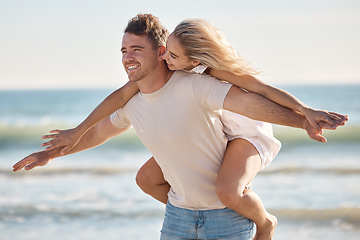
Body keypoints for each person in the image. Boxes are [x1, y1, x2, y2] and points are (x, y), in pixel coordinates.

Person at [13, 14, 347, 240]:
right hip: (178, 220)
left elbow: (254, 101)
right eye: (124, 50)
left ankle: (263, 220)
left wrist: (303, 117)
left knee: (227, 188)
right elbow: (99, 131)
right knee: (145, 178)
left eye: (136, 50)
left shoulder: (197, 83)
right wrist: (50, 155)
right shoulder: (132, 101)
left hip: (226, 218)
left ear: (161, 53)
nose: (127, 57)